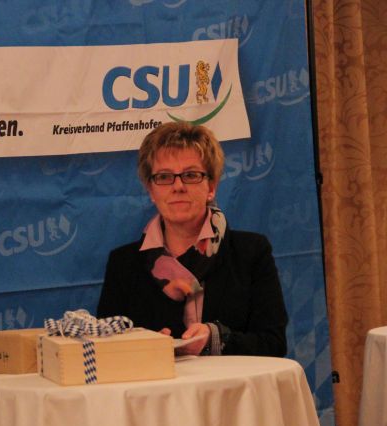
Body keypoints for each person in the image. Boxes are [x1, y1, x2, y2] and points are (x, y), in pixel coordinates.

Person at [96, 121, 287, 356]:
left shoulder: (252, 253)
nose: (178, 186)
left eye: (191, 175)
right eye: (164, 176)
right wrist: (145, 346)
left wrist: (216, 338)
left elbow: (274, 344)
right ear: (151, 190)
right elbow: (106, 352)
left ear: (211, 187)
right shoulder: (123, 263)